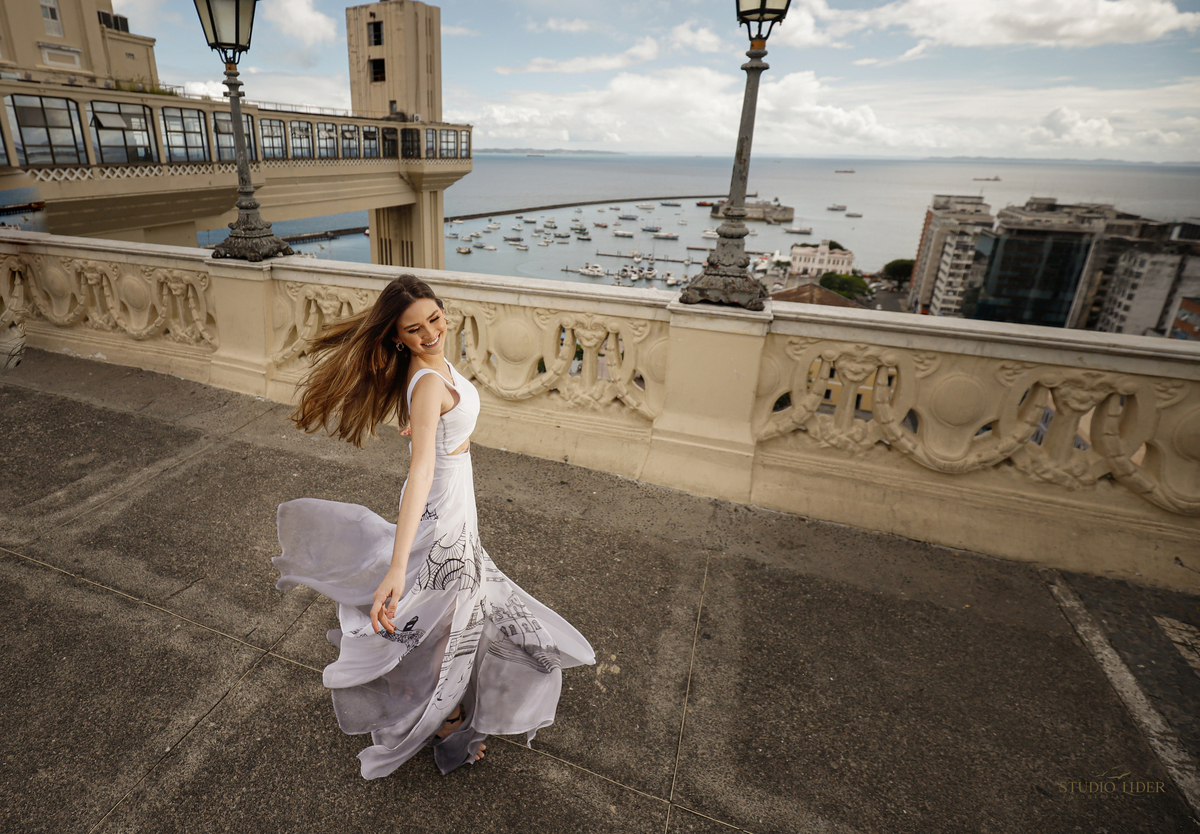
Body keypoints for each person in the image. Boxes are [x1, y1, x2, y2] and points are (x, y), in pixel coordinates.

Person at [273, 275, 595, 779]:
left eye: (435, 320)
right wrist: (397, 567)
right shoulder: (425, 382)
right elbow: (420, 470)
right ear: (398, 337)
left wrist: (421, 418)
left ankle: (445, 708)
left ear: (445, 314)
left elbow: (436, 409)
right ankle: (440, 720)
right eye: (415, 329)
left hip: (456, 501)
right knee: (443, 614)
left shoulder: (431, 369)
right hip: (440, 509)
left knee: (452, 613)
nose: (430, 333)